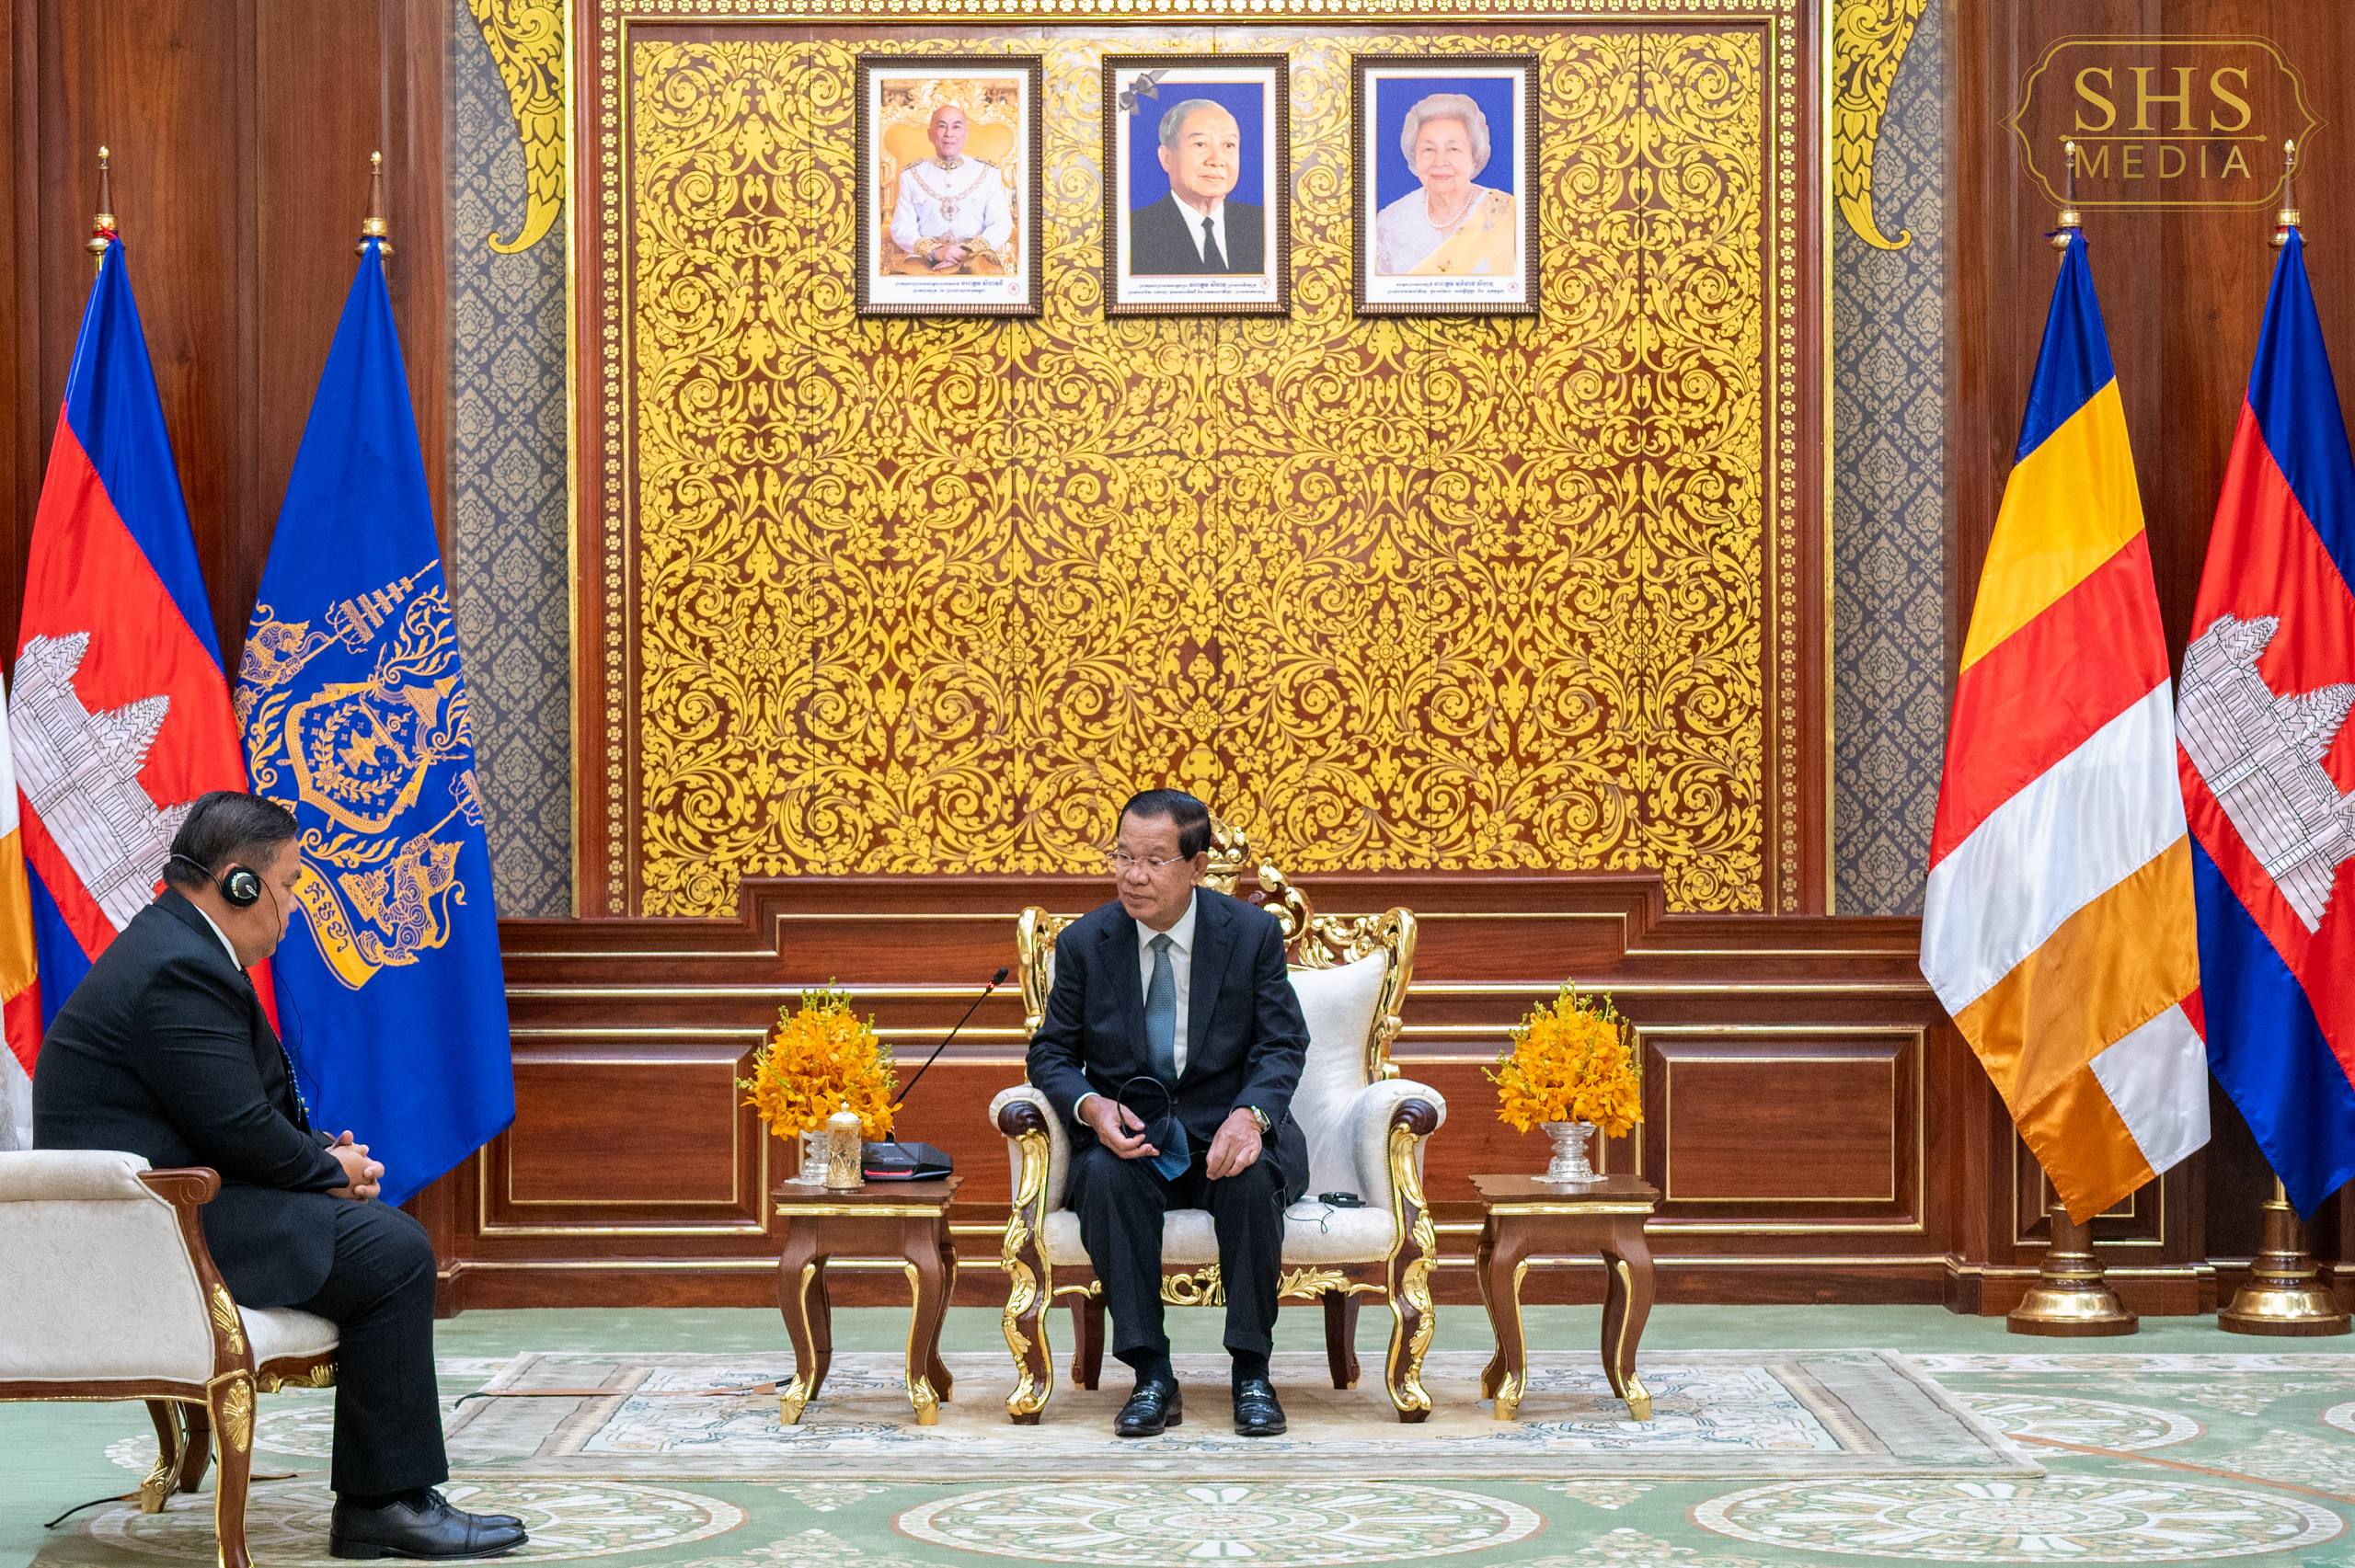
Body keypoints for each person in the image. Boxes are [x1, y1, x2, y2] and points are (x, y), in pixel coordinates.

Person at [33, 791, 525, 1561]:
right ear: (239, 883)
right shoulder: (177, 969)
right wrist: (328, 1169)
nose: (293, 905)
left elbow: (223, 1115)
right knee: (393, 1254)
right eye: (289, 884)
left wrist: (323, 1156)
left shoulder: (177, 948)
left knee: (382, 1236)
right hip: (157, 1228)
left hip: (173, 1206)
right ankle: (381, 1505)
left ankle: (392, 1494)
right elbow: (236, 1130)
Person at [1025, 789, 1310, 1438]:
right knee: (1104, 1179)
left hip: (1224, 1131)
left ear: (1197, 866)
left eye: (1154, 860)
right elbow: (1050, 1053)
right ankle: (1151, 1374)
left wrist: (1251, 1116)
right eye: (1123, 856)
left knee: (1251, 1178)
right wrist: (1092, 1107)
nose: (1133, 875)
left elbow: (1282, 1043)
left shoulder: (1251, 935)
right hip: (1133, 1137)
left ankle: (1252, 1373)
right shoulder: (1086, 943)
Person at [1373, 91, 1516, 278]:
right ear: (1414, 157)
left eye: (1453, 149)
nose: (1440, 161)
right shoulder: (1390, 223)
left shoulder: (1509, 215)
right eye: (1428, 149)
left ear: (1474, 158)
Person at [1130, 99, 1265, 276]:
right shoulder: (1132, 232)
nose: (1217, 160)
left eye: (1229, 145)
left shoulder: (1264, 225)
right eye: (1200, 144)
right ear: (1166, 158)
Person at [886, 103, 1014, 274]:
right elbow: (901, 226)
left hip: (975, 258)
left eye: (956, 127)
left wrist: (965, 253)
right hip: (924, 259)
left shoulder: (988, 173)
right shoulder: (911, 175)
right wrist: (935, 251)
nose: (949, 134)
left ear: (966, 134)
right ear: (930, 134)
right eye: (942, 126)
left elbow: (1001, 224)